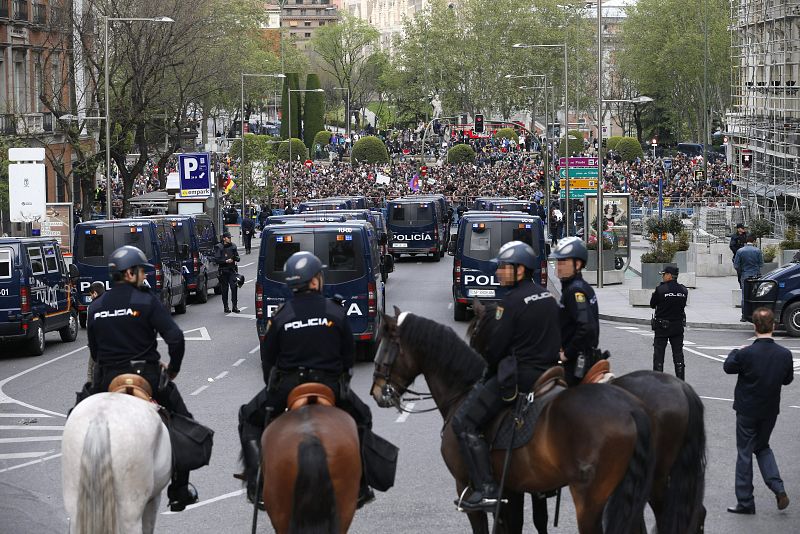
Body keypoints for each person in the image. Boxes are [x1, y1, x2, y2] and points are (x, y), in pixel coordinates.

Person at [238, 252, 375, 508]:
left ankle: (257, 487)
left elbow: (268, 359)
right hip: (328, 385)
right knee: (364, 417)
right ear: (314, 282)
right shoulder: (334, 310)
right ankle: (361, 485)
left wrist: (273, 386)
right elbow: (348, 355)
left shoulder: (281, 316)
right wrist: (342, 380)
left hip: (289, 385)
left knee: (248, 417)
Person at [85, 245, 198, 511]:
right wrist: (172, 370)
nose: (143, 276)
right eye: (140, 271)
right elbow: (176, 338)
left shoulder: (96, 306)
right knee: (184, 424)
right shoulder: (146, 301)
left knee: (77, 416)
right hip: (144, 374)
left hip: (107, 378)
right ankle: (179, 490)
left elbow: (94, 350)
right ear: (130, 273)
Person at [451, 241, 561, 512]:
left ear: (520, 270)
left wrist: (486, 372)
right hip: (549, 373)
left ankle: (487, 488)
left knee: (464, 423)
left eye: (504, 267)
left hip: (521, 376)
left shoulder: (508, 303)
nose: (499, 272)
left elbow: (496, 348)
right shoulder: (547, 297)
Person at [723, 307, 792, 515]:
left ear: (754, 327)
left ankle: (745, 501)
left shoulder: (747, 353)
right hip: (770, 411)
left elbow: (728, 367)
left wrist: (737, 350)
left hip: (746, 410)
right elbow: (787, 380)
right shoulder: (784, 354)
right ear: (773, 325)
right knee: (762, 447)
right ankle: (778, 488)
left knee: (745, 453)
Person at [550, 237, 600, 386]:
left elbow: (586, 327)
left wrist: (567, 354)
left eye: (563, 262)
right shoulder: (582, 286)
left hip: (576, 362)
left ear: (577, 264)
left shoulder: (574, 291)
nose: (558, 266)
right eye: (557, 262)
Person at [650, 265, 688, 380]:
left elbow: (652, 304)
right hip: (677, 327)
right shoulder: (683, 290)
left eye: (664, 274)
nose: (663, 276)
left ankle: (658, 382)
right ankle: (681, 381)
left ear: (669, 275)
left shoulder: (661, 289)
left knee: (659, 356)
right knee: (678, 356)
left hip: (662, 328)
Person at [733, 235, 764, 322]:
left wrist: (741, 271)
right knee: (756, 295)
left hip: (745, 275)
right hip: (756, 275)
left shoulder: (740, 251)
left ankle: (744, 315)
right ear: (754, 241)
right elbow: (761, 264)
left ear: (746, 241)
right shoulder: (758, 251)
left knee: (744, 295)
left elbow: (736, 265)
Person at [214, 232, 240, 313]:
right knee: (224, 289)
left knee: (234, 288)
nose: (230, 239)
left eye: (230, 237)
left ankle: (234, 306)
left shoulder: (233, 246)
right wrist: (226, 261)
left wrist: (235, 258)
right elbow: (217, 260)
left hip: (232, 270)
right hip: (223, 271)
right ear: (224, 238)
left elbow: (238, 258)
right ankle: (226, 307)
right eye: (228, 237)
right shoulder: (219, 247)